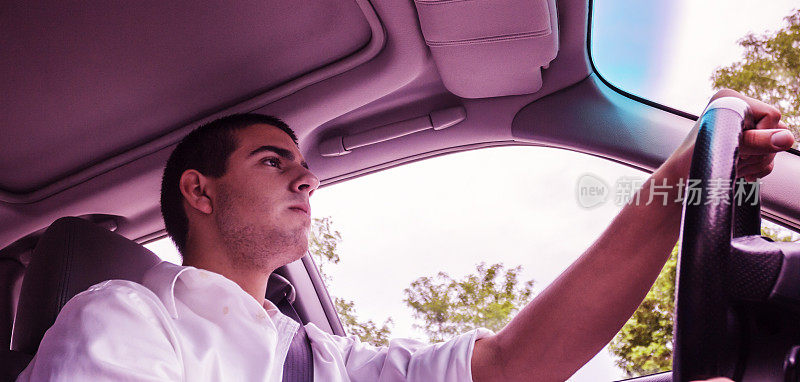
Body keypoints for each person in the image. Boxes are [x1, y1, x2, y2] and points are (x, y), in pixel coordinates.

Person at [17, 90, 795, 381]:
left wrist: (683, 184)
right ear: (200, 192)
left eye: (304, 165)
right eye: (271, 161)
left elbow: (507, 366)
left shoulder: (326, 358)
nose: (307, 178)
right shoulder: (125, 317)